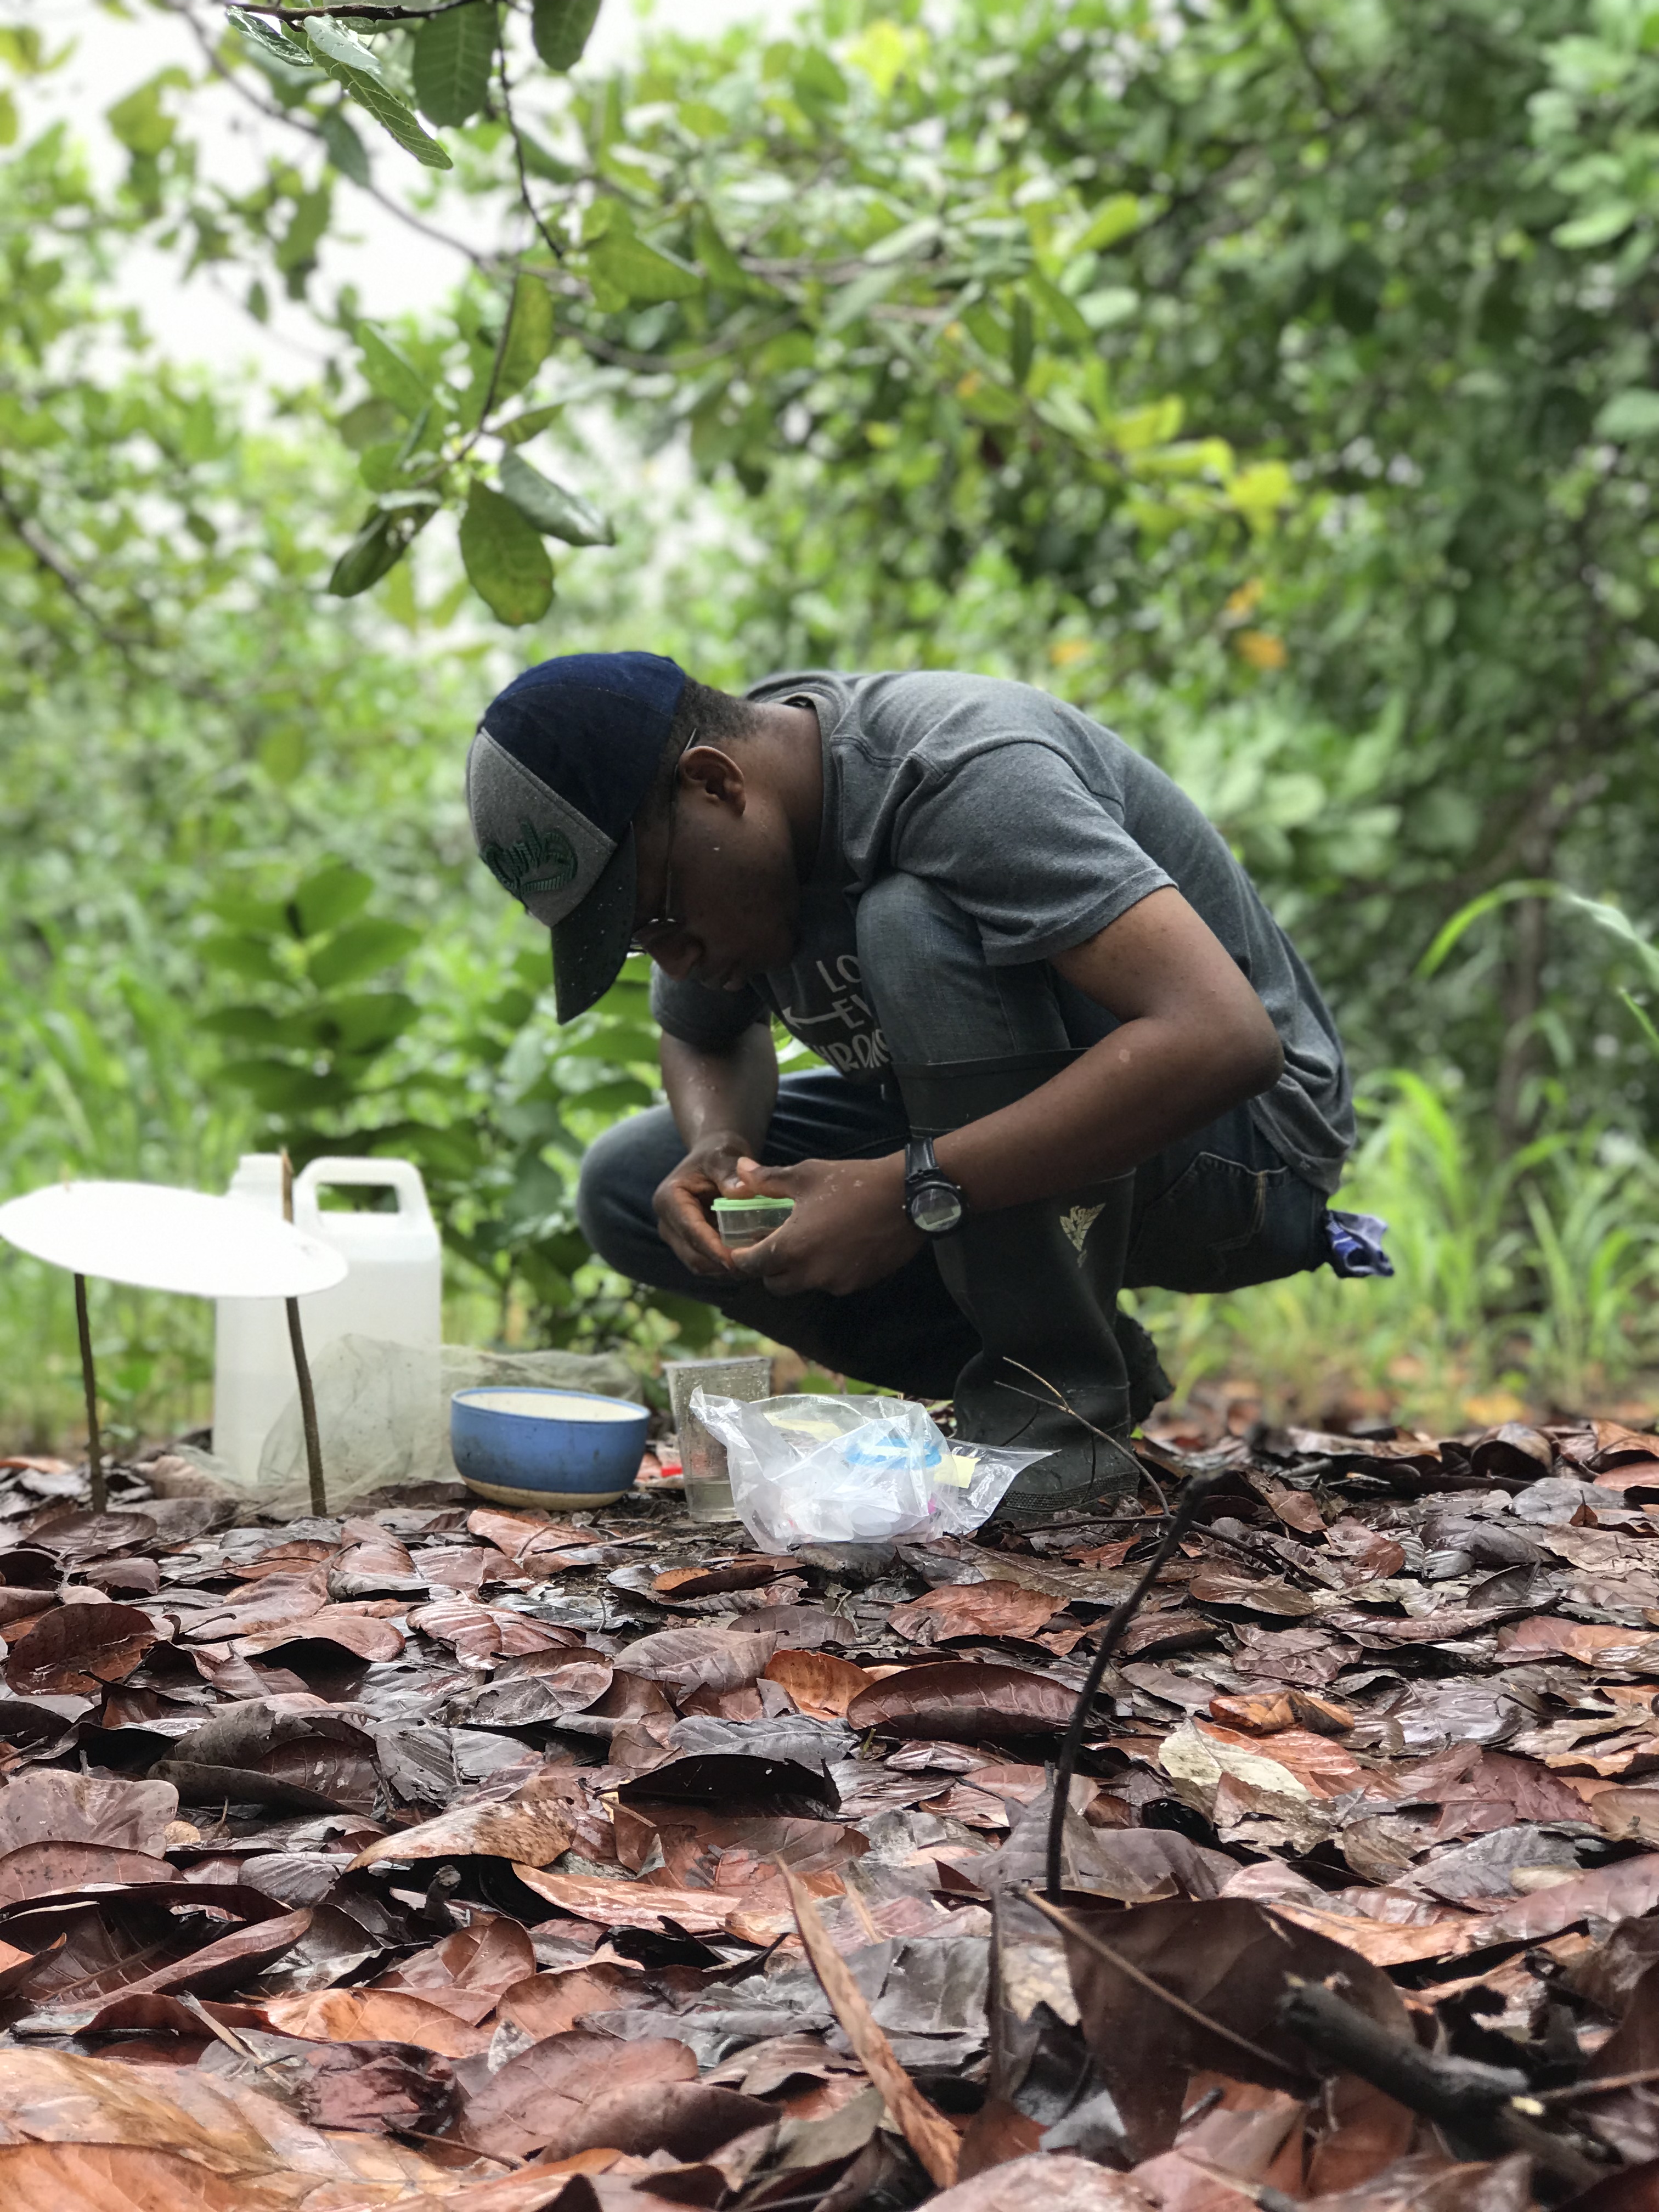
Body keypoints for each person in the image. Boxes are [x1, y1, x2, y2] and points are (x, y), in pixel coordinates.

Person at [467, 650, 1382, 1519]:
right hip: (999, 1142)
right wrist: (720, 1147)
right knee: (632, 1183)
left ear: (716, 785)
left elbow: (1225, 1040)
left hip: (1243, 1157)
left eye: (657, 917)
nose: (673, 955)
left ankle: (1054, 1418)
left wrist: (913, 1192)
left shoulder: (961, 768)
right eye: (636, 941)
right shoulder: (717, 827)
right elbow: (704, 1037)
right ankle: (1069, 1367)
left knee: (908, 922)